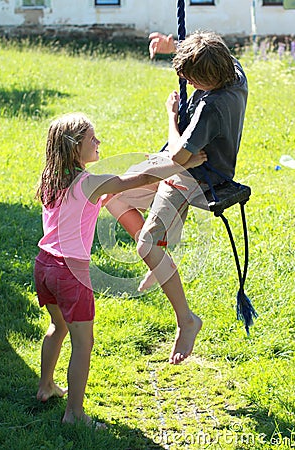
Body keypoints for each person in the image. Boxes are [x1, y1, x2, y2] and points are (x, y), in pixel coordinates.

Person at [33, 112, 207, 425]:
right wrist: (184, 164)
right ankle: (74, 414)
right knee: (83, 344)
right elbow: (139, 180)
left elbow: (97, 200)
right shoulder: (90, 183)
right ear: (75, 148)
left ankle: (45, 386)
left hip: (44, 265)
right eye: (92, 140)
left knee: (57, 327)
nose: (99, 143)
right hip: (71, 273)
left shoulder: (51, 180)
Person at [106, 31, 248, 365]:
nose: (185, 81)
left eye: (189, 77)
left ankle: (187, 319)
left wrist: (171, 113)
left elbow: (176, 157)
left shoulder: (210, 108)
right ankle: (162, 256)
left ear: (203, 79)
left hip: (195, 178)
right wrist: (174, 46)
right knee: (111, 196)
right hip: (189, 169)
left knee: (144, 245)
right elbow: (209, 50)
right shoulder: (235, 73)